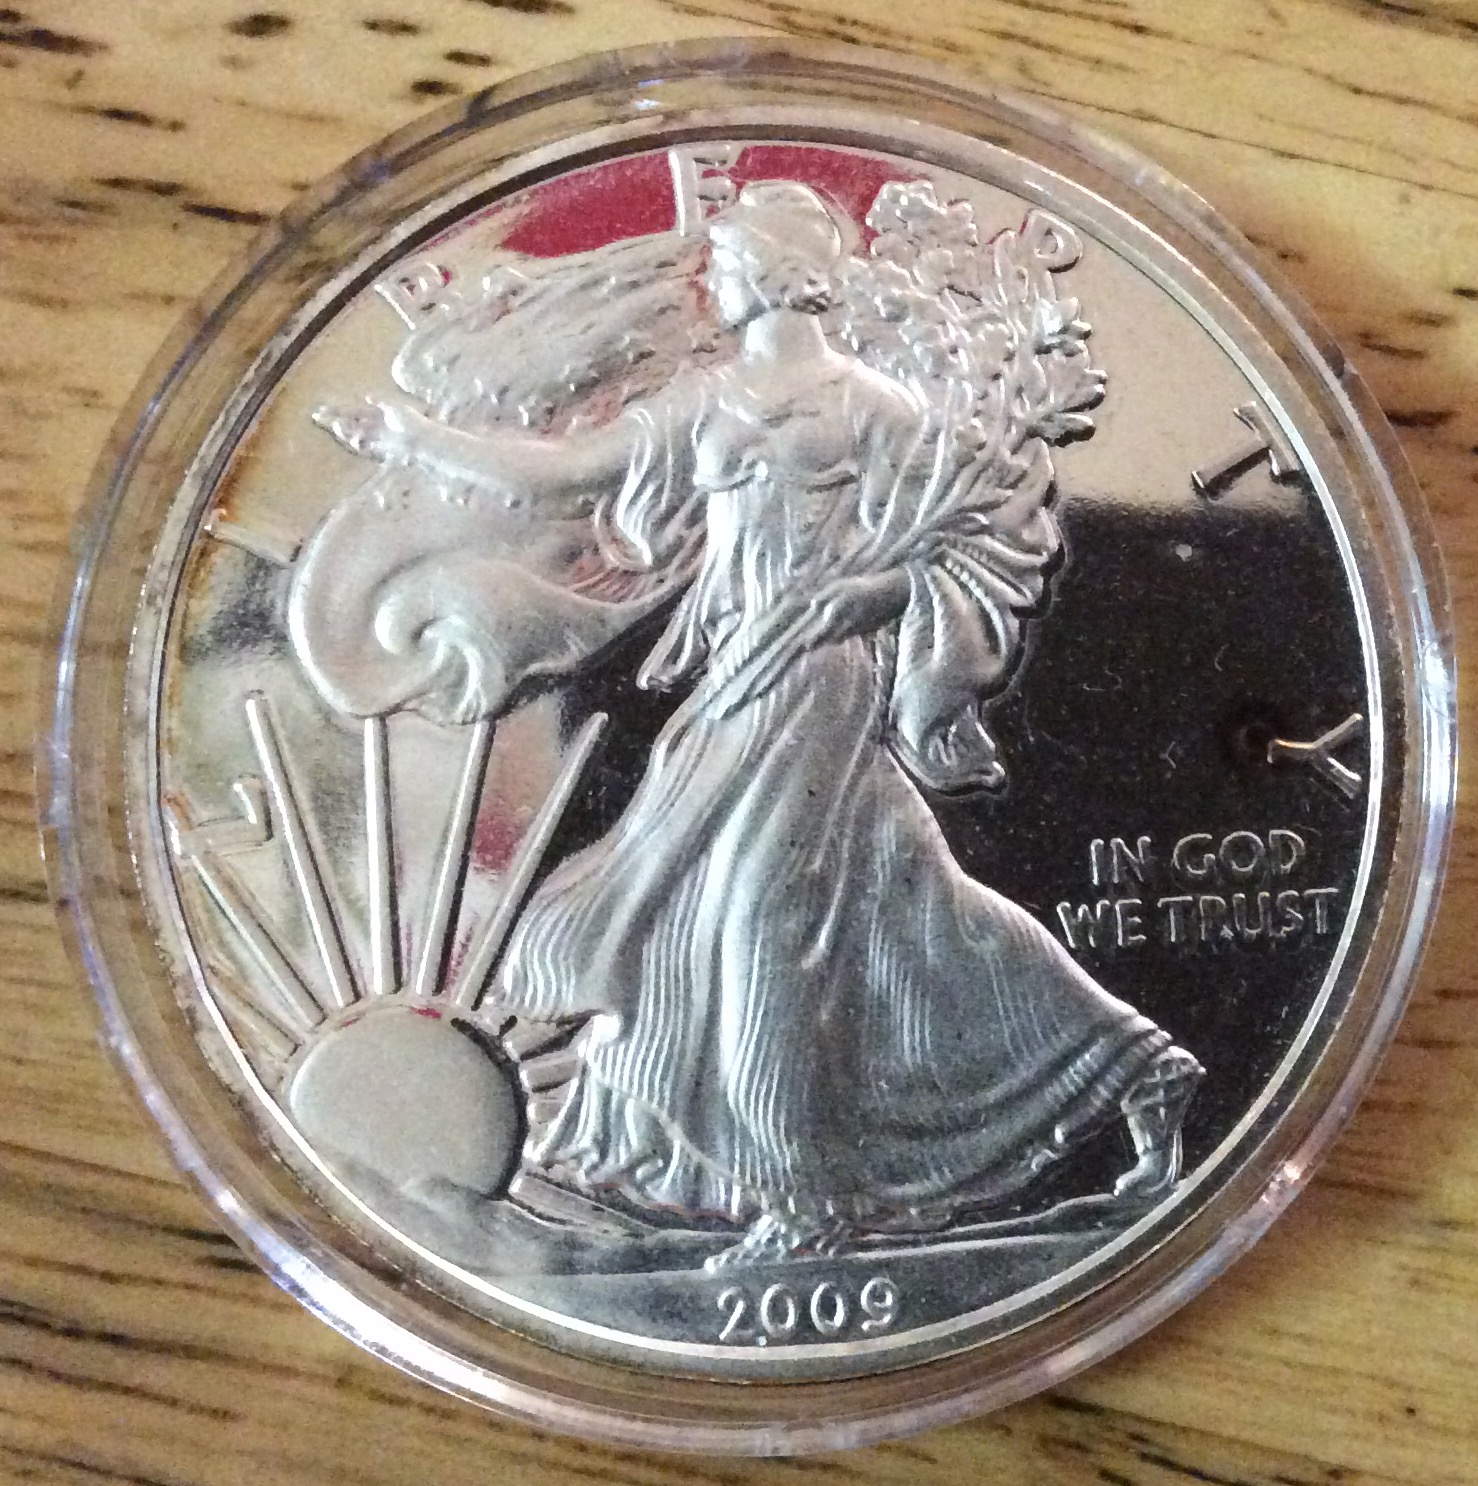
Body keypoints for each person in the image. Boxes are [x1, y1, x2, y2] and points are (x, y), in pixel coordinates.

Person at [316, 180, 1202, 1268]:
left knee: (753, 923)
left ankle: (804, 1193)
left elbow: (981, 535)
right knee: (903, 910)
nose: (717, 280)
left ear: (776, 273)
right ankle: (1133, 1067)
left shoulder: (872, 407)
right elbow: (559, 472)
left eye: (730, 262)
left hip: (819, 682)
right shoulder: (711, 399)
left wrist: (865, 597)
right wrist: (413, 437)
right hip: (738, 675)